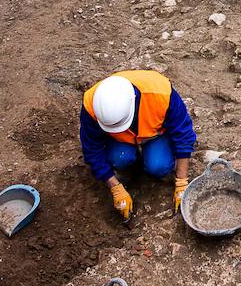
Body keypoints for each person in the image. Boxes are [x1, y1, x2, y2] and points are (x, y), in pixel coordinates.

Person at [80, 70, 196, 222]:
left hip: (155, 134)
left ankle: (150, 157)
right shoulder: (91, 105)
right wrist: (115, 187)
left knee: (158, 166)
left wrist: (182, 181)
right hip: (120, 140)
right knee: (119, 159)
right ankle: (131, 164)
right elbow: (92, 149)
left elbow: (183, 135)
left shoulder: (160, 94)